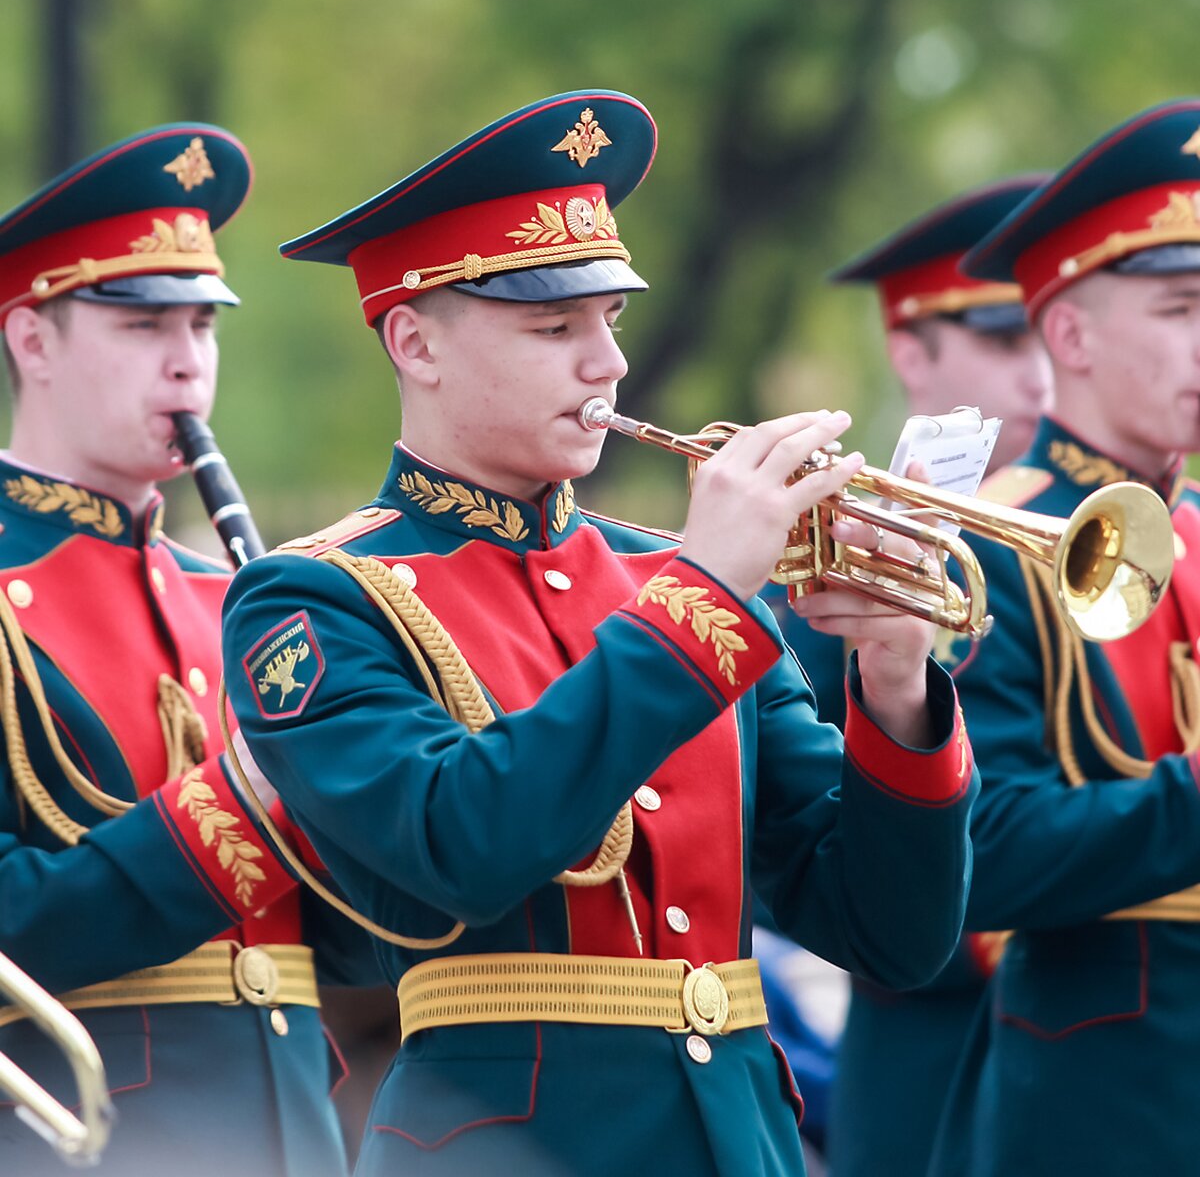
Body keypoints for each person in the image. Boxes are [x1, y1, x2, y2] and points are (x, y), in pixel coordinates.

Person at [220, 89, 978, 1177]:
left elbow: (893, 938)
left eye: (609, 320)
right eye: (552, 326)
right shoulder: (313, 597)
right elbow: (460, 846)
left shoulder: (678, 581)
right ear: (414, 342)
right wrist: (704, 593)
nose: (607, 363)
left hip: (743, 1143)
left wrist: (898, 682)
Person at [0, 125, 351, 1175]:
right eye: (144, 322)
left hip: (294, 1132)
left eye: (202, 322)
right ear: (33, 339)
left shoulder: (243, 596)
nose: (189, 359)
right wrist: (236, 809)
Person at [923, 98, 1200, 1176]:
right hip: (1098, 1100)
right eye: (1181, 308)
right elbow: (976, 856)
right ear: (1071, 335)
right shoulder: (989, 542)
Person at [764, 178, 1052, 1177]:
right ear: (910, 351)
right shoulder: (811, 560)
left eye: (1054, 336)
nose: (1043, 374)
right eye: (1008, 339)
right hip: (928, 1059)